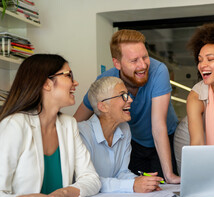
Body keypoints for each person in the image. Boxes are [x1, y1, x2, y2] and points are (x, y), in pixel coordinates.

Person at [73, 29, 180, 184]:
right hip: (134, 142)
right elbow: (74, 123)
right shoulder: (106, 81)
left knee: (164, 183)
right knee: (141, 187)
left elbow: (158, 126)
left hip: (164, 138)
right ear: (117, 63)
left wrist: (169, 175)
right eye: (134, 60)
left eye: (145, 57)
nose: (143, 65)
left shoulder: (158, 71)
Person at [0, 54, 101, 197]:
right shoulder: (15, 125)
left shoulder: (69, 124)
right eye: (69, 76)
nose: (75, 83)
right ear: (47, 84)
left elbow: (91, 179)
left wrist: (63, 193)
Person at [78, 76, 164, 193]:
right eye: (123, 95)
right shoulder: (82, 133)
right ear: (103, 106)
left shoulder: (124, 129)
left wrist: (141, 181)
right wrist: (132, 185)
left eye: (128, 94)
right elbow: (89, 181)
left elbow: (122, 173)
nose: (130, 100)